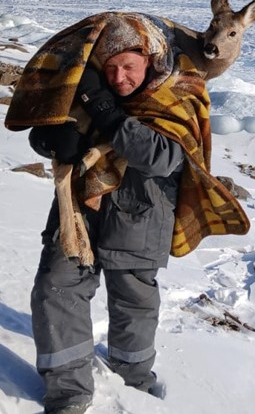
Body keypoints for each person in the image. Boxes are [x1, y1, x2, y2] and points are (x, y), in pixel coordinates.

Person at [28, 41, 185, 414]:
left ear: (149, 60)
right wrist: (53, 140)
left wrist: (106, 111)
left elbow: (162, 157)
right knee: (55, 287)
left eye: (128, 66)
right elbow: (40, 127)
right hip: (78, 208)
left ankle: (132, 380)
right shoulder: (80, 86)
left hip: (141, 212)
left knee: (133, 300)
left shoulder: (176, 95)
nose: (119, 78)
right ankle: (68, 392)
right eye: (110, 68)